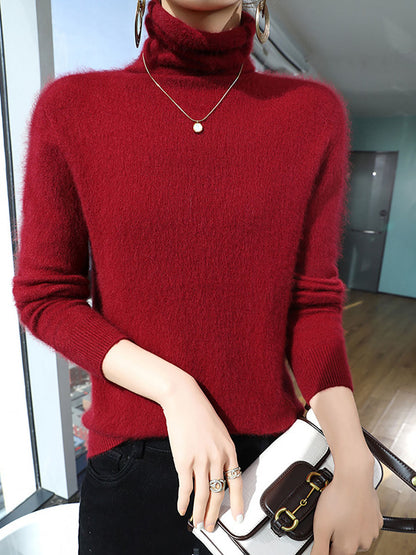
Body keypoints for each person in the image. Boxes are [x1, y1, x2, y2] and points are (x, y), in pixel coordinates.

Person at [12, 0, 384, 553]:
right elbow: (45, 295)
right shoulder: (71, 109)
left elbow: (311, 304)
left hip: (267, 472)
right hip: (131, 468)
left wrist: (353, 462)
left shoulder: (312, 115)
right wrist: (175, 389)